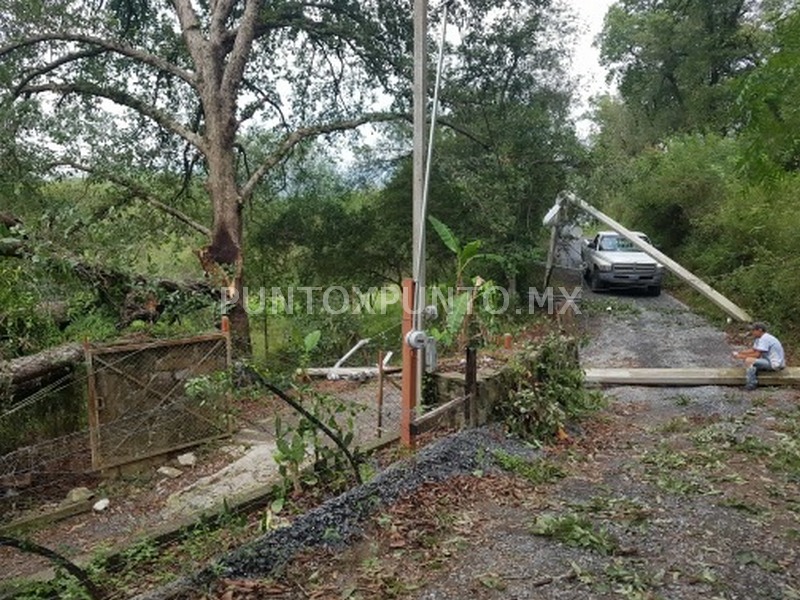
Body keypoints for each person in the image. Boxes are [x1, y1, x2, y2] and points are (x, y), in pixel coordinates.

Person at [732, 322, 785, 390]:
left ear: (760, 330)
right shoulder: (759, 338)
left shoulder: (765, 338)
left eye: (754, 330)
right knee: (750, 360)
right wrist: (740, 353)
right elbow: (753, 350)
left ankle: (751, 384)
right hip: (769, 361)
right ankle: (753, 376)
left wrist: (740, 356)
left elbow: (757, 355)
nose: (752, 332)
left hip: (775, 364)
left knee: (749, 360)